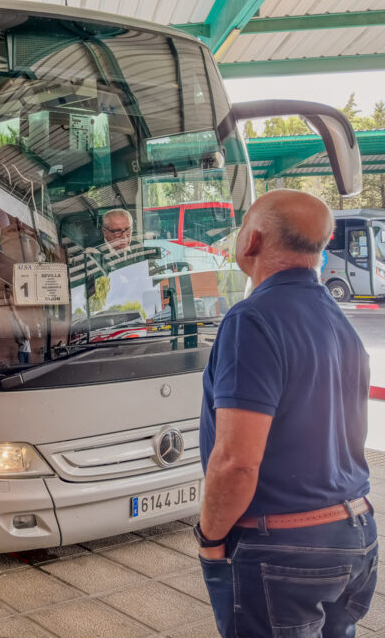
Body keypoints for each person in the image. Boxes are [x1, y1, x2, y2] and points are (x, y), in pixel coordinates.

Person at [197, 189, 377, 637]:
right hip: (355, 536)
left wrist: (210, 538)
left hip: (283, 550)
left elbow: (236, 461)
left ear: (251, 241)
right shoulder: (335, 317)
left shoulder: (252, 320)